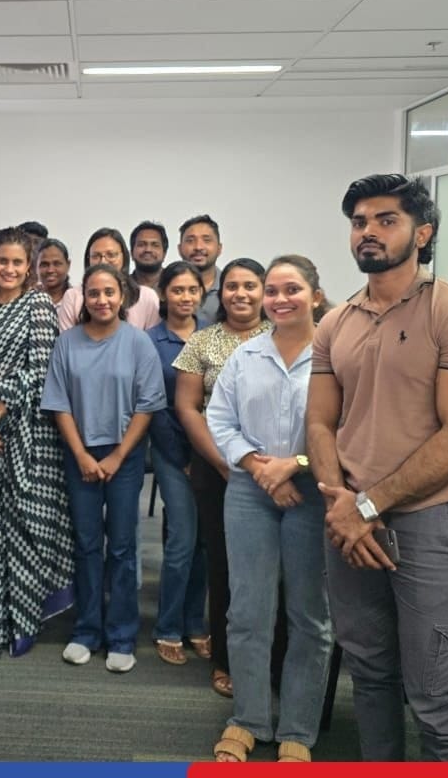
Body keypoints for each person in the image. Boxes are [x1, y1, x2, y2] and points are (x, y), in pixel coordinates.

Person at [307, 173, 448, 761]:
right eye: (359, 222)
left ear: (423, 232)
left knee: (437, 699)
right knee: (369, 678)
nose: (368, 232)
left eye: (385, 220)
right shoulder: (336, 321)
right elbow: (320, 425)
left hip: (428, 525)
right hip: (348, 523)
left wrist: (366, 506)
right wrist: (341, 504)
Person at [208, 255, 334, 763]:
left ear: (315, 296)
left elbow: (347, 427)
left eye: (292, 289)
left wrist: (295, 465)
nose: (280, 299)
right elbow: (219, 419)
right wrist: (262, 468)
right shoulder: (245, 355)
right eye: (272, 291)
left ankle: (298, 730)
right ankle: (249, 719)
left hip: (313, 493)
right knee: (247, 611)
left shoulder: (335, 354)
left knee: (309, 616)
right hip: (248, 493)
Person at [0, 227, 74, 656]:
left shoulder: (39, 304)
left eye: (17, 263)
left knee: (24, 525)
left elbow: (40, 367)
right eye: (1, 261)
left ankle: (21, 619)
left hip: (27, 430)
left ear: (29, 269)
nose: (8, 269)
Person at [44, 264, 166, 673]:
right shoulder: (67, 343)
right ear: (84, 298)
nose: (102, 300)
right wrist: (80, 453)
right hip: (79, 452)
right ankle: (86, 631)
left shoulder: (138, 343)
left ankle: (121, 636)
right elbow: (58, 403)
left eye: (109, 292)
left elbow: (148, 404)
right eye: (94, 293)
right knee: (86, 544)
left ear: (123, 296)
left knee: (122, 547)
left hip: (124, 455)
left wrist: (117, 456)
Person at [174, 257, 270, 698]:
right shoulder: (201, 341)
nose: (240, 294)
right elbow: (188, 408)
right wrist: (224, 464)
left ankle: (278, 658)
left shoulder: (282, 337)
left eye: (250, 285)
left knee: (280, 569)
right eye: (232, 286)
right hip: (220, 471)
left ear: (264, 290)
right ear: (221, 293)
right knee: (226, 566)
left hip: (279, 469)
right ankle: (226, 660)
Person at [145, 261, 208, 667]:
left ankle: (195, 623)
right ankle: (167, 627)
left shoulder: (212, 336)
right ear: (164, 294)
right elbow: (155, 407)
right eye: (178, 290)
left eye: (192, 290)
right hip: (171, 451)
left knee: (205, 541)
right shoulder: (151, 342)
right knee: (182, 539)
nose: (185, 297)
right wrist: (184, 458)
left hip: (212, 452)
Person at [58, 228, 161, 331]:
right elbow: (67, 342)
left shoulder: (147, 297)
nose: (103, 261)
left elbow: (151, 343)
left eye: (111, 255)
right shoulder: (73, 297)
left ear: (124, 257)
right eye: (96, 256)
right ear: (88, 259)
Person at [178, 215, 224, 327]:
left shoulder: (229, 288)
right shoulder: (167, 288)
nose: (198, 247)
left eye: (206, 240)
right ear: (179, 249)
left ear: (219, 248)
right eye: (190, 241)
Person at [130, 220, 168, 293]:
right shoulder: (122, 287)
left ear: (164, 254)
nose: (148, 250)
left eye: (155, 245)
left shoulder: (175, 283)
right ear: (131, 253)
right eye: (141, 244)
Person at [35, 238, 72, 305]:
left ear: (68, 265)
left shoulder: (77, 299)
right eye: (44, 264)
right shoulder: (26, 299)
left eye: (57, 264)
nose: (50, 270)